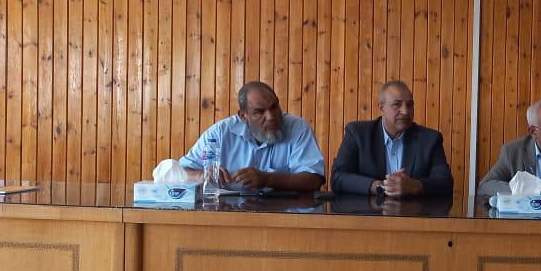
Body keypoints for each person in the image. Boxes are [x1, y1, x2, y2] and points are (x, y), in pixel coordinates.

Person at [179, 81, 326, 192]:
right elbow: (180, 172)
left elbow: (314, 180)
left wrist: (267, 179)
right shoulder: (220, 133)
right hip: (228, 215)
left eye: (274, 107)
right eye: (259, 112)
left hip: (286, 216)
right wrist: (203, 175)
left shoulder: (298, 129)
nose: (271, 117)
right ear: (243, 116)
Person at [330, 80, 454, 196]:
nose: (405, 111)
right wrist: (380, 186)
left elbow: (445, 183)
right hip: (367, 211)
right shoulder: (358, 134)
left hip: (414, 211)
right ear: (382, 108)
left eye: (410, 105)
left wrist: (415, 186)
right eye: (397, 104)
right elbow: (338, 177)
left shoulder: (430, 139)